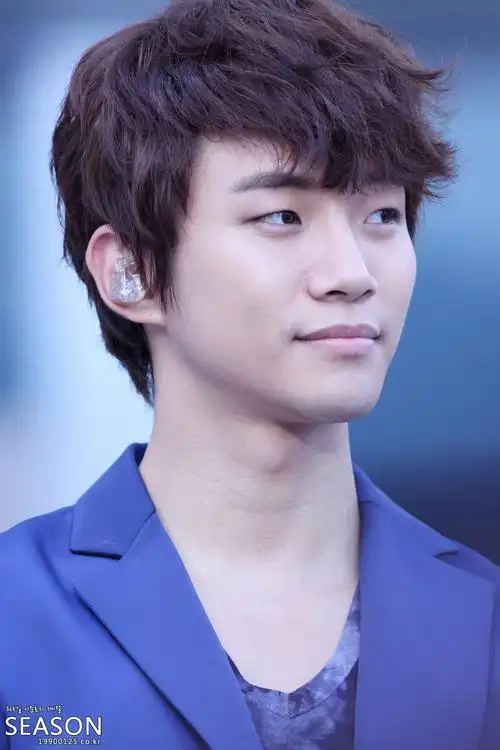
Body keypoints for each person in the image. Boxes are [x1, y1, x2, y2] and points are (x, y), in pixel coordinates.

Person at [0, 0, 498, 748]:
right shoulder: (16, 618)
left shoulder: (482, 620)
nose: (352, 273)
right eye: (282, 217)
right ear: (132, 270)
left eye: (383, 216)